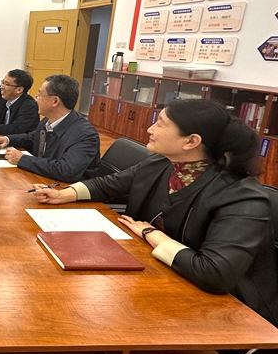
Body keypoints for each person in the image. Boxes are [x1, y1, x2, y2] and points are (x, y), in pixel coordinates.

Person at [32, 99, 278, 331]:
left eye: (160, 124)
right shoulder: (163, 164)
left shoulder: (242, 197)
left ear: (191, 141)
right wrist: (63, 195)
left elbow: (214, 273)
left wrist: (152, 234)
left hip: (227, 317)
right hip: (157, 277)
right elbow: (109, 184)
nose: (150, 128)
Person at [0, 74, 100, 182]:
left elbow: (67, 170)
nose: (36, 100)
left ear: (55, 101)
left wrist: (22, 159)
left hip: (66, 188)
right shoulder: (47, 121)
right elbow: (32, 138)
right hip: (43, 181)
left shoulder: (85, 134)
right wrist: (8, 139)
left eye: (39, 95)